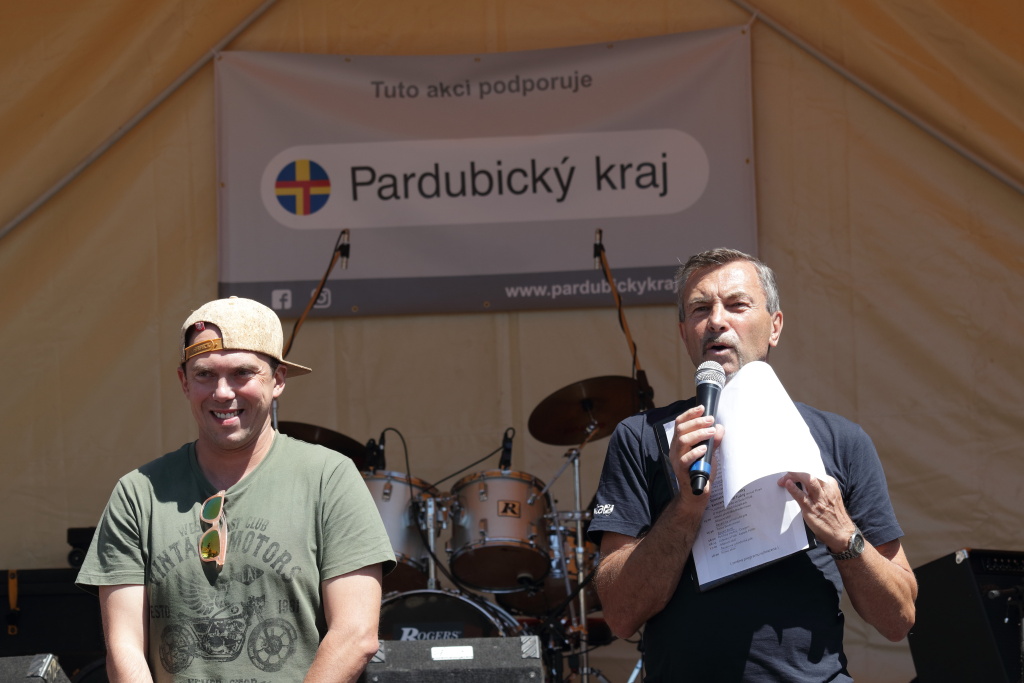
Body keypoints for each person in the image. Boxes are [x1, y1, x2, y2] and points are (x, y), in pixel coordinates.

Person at [588, 249, 917, 681]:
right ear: (684, 333)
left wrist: (844, 535)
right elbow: (619, 615)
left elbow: (898, 618)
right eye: (700, 309)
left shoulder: (842, 440)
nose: (717, 321)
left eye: (737, 305)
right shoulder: (641, 437)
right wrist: (686, 506)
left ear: (774, 326)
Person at [77, 296, 396, 683]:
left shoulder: (330, 478)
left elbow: (355, 635)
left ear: (278, 380)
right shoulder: (138, 493)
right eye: (204, 374)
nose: (223, 392)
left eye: (243, 373)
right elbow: (124, 646)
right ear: (184, 382)